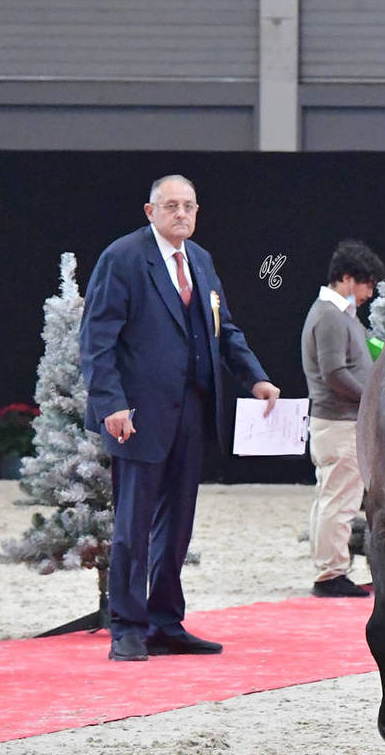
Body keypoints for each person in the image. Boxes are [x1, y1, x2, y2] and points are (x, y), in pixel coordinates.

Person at [80, 175, 280, 662]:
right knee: (133, 525)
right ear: (150, 212)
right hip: (138, 413)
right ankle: (127, 626)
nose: (182, 214)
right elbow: (97, 338)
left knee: (178, 525)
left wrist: (255, 378)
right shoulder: (123, 258)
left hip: (192, 411)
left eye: (189, 206)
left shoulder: (202, 261)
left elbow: (223, 329)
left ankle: (165, 622)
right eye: (171, 206)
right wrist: (111, 404)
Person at [301, 240, 385, 597]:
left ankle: (329, 568)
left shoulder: (339, 314)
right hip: (339, 424)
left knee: (331, 498)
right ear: (349, 279)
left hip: (337, 422)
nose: (371, 293)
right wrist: (373, 399)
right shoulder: (330, 316)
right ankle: (330, 575)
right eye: (368, 284)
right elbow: (334, 373)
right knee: (340, 501)